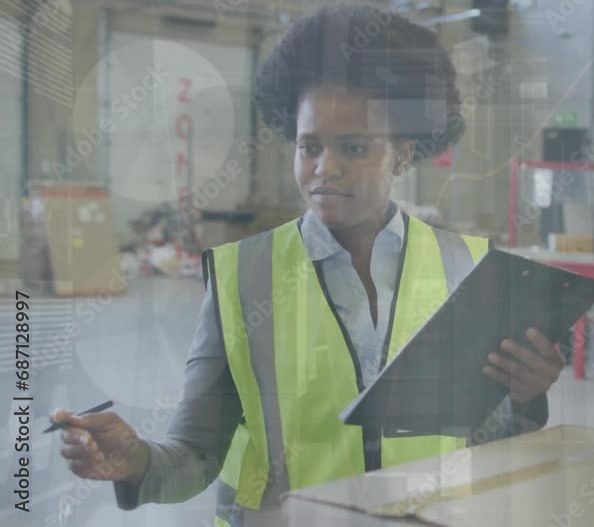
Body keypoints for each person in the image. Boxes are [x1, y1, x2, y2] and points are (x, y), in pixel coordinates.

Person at [50, 5, 564, 526]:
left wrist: (526, 398)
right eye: (309, 146)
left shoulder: (467, 268)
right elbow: (194, 455)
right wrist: (132, 458)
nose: (325, 168)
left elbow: (492, 445)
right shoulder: (242, 278)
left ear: (404, 156)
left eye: (355, 147)